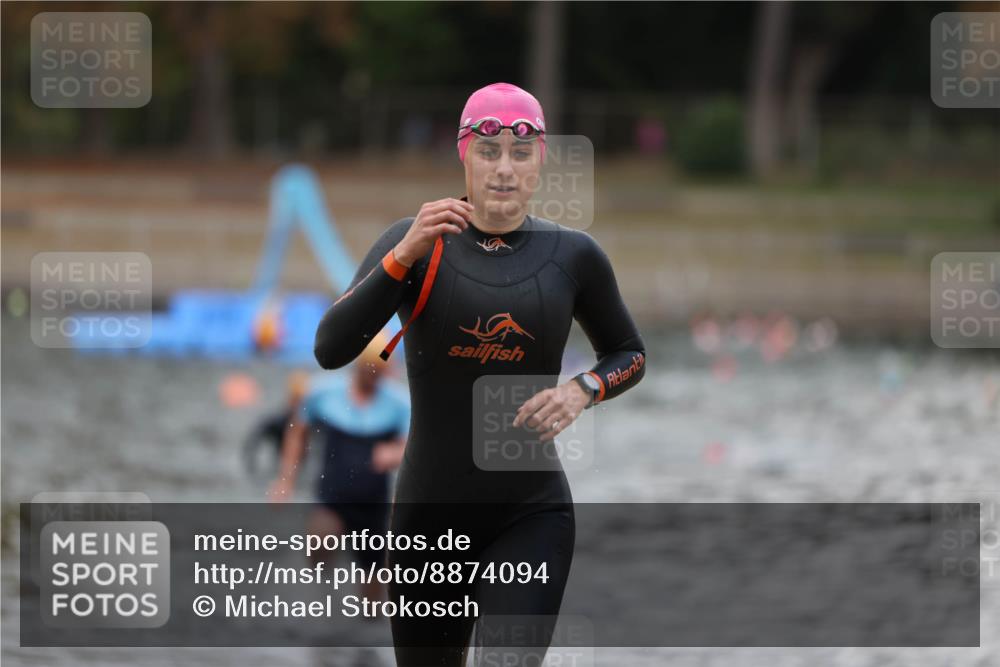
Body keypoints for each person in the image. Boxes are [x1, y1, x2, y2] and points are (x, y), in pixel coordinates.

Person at [314, 82, 646, 666]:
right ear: (464, 154)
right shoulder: (415, 241)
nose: (504, 170)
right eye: (489, 151)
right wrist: (403, 256)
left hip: (531, 514)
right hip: (429, 521)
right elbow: (329, 348)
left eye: (520, 154)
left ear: (540, 159)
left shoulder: (573, 256)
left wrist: (584, 389)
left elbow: (629, 353)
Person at [269, 333, 410, 602]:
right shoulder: (324, 393)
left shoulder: (398, 404)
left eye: (380, 372)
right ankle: (317, 600)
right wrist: (285, 480)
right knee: (320, 538)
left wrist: (394, 452)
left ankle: (362, 631)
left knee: (372, 598)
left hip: (373, 504)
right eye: (371, 371)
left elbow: (412, 446)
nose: (375, 377)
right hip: (332, 495)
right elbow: (297, 432)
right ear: (358, 366)